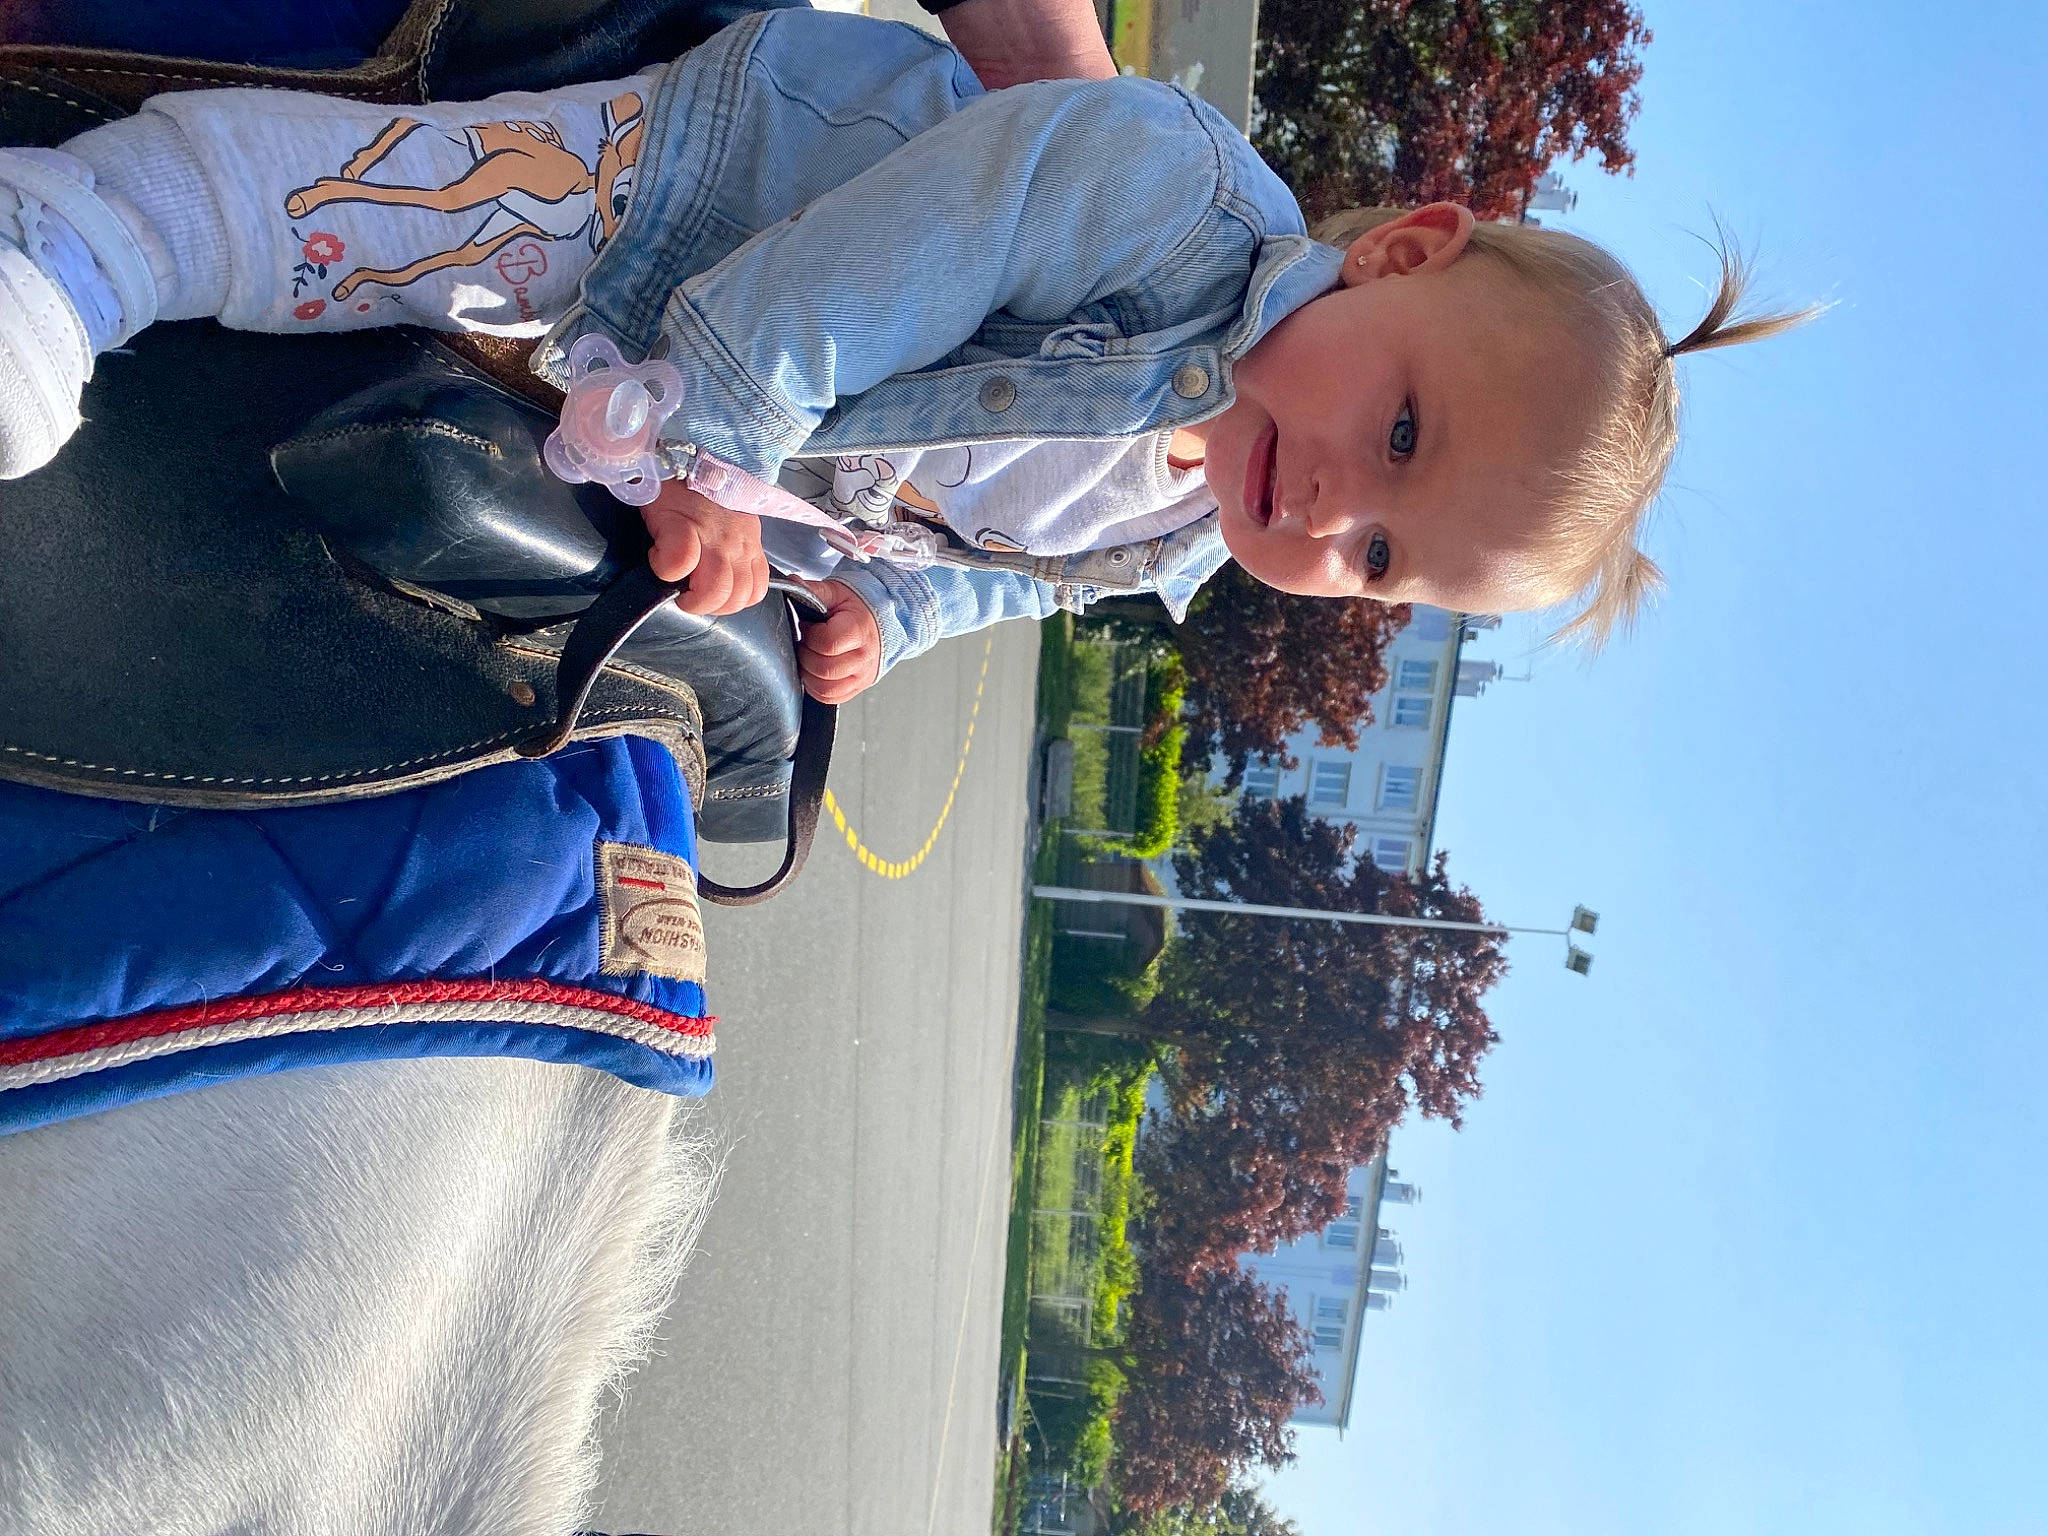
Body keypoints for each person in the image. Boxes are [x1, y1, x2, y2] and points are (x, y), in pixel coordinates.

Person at [0, 8, 1812, 709]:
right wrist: (719, 450)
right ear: (1404, 249)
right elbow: (907, 254)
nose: (1340, 509)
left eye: (1384, 560)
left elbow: (1006, 571)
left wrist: (906, 621)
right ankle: (85, 243)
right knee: (392, 215)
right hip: (703, 207)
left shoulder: (1179, 538)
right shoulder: (1171, 193)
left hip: (678, 428)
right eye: (1402, 428)